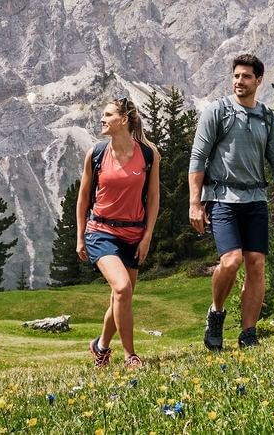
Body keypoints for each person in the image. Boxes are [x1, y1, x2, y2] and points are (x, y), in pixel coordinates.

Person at [189, 53, 274, 351]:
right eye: (236, 76)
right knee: (232, 260)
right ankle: (217, 312)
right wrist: (194, 204)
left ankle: (249, 333)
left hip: (255, 198)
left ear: (259, 80)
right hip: (221, 197)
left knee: (256, 265)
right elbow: (197, 159)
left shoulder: (267, 117)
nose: (240, 81)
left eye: (246, 76)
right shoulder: (217, 112)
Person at [77, 96, 160, 369]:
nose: (102, 118)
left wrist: (147, 236)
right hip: (101, 231)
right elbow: (83, 197)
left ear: (123, 120)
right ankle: (130, 355)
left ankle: (100, 346)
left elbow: (154, 198)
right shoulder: (97, 154)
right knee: (122, 288)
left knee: (120, 298)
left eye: (108, 114)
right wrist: (80, 236)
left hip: (133, 235)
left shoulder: (149, 154)